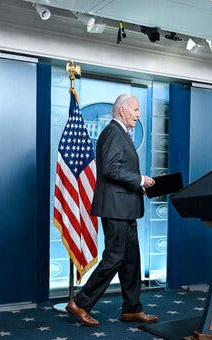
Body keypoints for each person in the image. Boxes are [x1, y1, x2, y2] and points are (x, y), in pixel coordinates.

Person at [66, 94, 158, 327]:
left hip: (126, 208)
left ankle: (132, 309)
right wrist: (139, 180)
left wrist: (140, 186)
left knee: (131, 261)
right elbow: (110, 169)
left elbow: (118, 172)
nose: (138, 115)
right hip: (116, 209)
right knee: (114, 258)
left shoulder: (121, 134)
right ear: (122, 111)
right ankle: (81, 303)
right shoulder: (112, 133)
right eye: (135, 110)